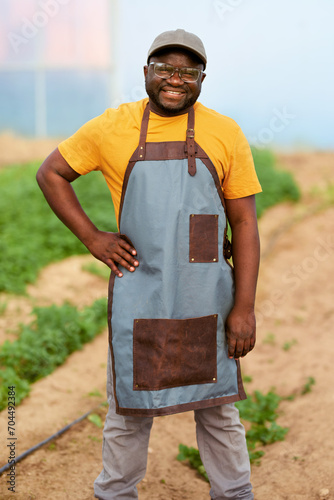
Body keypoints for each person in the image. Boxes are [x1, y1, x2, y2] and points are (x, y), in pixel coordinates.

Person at [37, 29, 261, 500]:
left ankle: (235, 493)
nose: (175, 79)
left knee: (218, 407)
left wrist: (244, 308)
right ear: (145, 73)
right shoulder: (111, 127)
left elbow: (244, 224)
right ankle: (115, 494)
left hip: (206, 296)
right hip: (143, 293)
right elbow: (51, 173)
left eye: (187, 71)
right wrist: (92, 237)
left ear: (202, 78)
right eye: (164, 69)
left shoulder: (225, 132)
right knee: (129, 407)